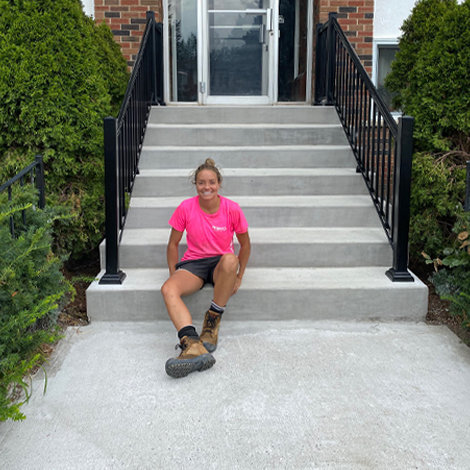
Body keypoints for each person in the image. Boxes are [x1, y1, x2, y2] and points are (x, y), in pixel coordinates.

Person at [161, 158, 251, 378]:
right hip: (195, 264)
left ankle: (212, 321)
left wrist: (239, 276)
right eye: (202, 183)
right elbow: (172, 244)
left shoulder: (232, 209)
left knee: (231, 259)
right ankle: (192, 344)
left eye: (211, 182)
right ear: (196, 185)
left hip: (221, 264)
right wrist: (175, 274)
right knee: (168, 289)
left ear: (219, 183)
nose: (207, 187)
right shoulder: (185, 207)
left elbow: (245, 244)